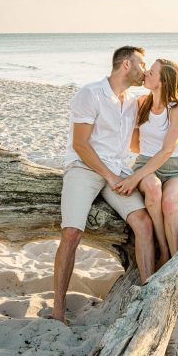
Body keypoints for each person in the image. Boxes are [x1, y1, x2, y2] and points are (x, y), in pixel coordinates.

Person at [53, 46, 155, 323]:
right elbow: (80, 144)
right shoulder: (90, 94)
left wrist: (171, 148)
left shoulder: (133, 101)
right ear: (125, 65)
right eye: (141, 63)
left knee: (143, 223)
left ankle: (147, 298)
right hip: (84, 167)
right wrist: (109, 177)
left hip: (119, 169)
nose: (144, 69)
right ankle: (58, 311)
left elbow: (136, 142)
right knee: (72, 232)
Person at [116, 58, 178, 267]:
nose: (146, 73)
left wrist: (133, 178)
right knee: (152, 187)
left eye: (151, 72)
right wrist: (138, 174)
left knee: (169, 203)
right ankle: (163, 249)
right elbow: (136, 147)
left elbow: (168, 150)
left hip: (175, 168)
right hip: (145, 165)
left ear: (163, 81)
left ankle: (177, 262)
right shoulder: (141, 103)